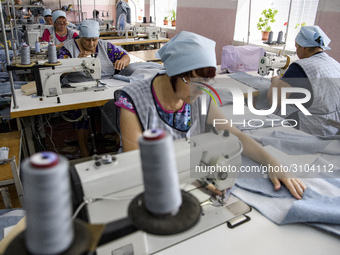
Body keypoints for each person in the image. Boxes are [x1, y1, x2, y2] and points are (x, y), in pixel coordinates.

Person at [114, 31, 306, 200]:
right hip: (143, 188)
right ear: (175, 74)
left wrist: (272, 162)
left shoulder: (200, 98)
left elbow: (234, 134)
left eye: (208, 81)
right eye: (198, 82)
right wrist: (193, 182)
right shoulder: (132, 100)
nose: (203, 89)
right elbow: (137, 163)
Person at [57, 20, 130, 157]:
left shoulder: (105, 47)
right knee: (78, 112)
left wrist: (122, 61)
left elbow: (125, 56)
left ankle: (118, 142)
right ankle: (84, 149)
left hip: (105, 85)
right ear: (80, 37)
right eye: (87, 40)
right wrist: (75, 62)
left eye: (94, 40)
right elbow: (59, 69)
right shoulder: (68, 48)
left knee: (120, 105)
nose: (91, 44)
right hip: (77, 87)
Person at [268, 25, 340, 136]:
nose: (297, 51)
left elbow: (274, 101)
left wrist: (276, 80)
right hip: (332, 128)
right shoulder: (335, 64)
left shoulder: (300, 67)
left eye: (297, 47)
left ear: (304, 48)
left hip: (309, 128)